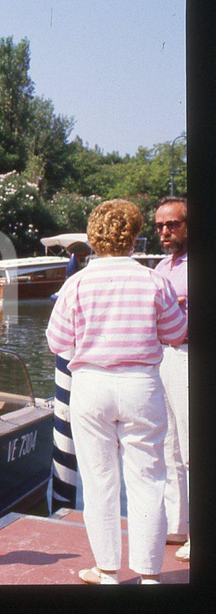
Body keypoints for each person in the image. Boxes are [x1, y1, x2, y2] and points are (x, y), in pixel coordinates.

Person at [46, 199, 186, 585]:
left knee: (99, 479)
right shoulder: (155, 280)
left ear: (93, 239)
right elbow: (176, 333)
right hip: (141, 386)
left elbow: (57, 341)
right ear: (136, 236)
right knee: (148, 478)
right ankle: (149, 574)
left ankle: (107, 569)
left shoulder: (76, 284)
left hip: (91, 386)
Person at [153, 196, 189, 562]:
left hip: (189, 358)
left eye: (173, 224)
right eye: (160, 226)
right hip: (163, 358)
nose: (165, 231)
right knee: (170, 448)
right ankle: (179, 525)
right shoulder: (162, 266)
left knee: (195, 448)